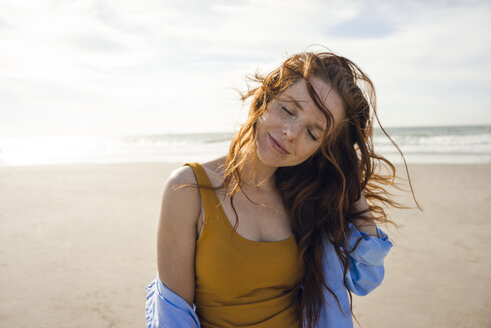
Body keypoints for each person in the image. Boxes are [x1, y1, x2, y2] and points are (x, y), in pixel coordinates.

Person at [145, 49, 419, 328]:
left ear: (320, 149)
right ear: (265, 98)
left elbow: (367, 276)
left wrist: (349, 179)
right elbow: (173, 317)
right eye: (288, 110)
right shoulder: (188, 188)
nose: (291, 132)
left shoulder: (308, 199)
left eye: (312, 133)